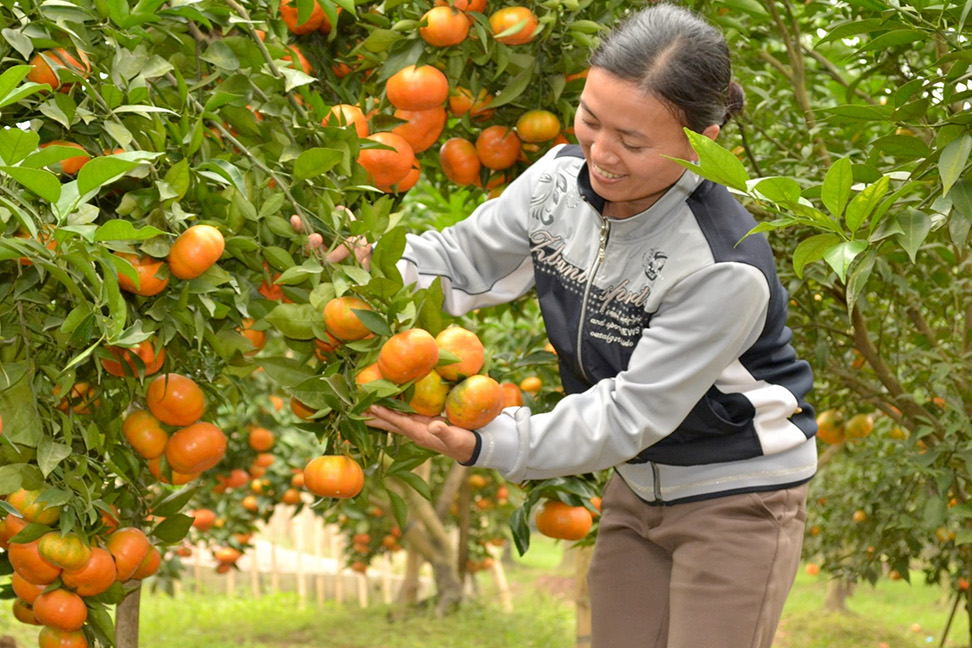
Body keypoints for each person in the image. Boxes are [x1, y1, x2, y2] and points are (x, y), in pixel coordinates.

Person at [332, 5, 816, 648]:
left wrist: (488, 443)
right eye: (591, 119)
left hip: (739, 494)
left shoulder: (722, 264)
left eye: (634, 142)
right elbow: (459, 264)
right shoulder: (556, 183)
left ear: (705, 140)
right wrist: (365, 267)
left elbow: (628, 413)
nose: (602, 154)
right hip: (635, 481)